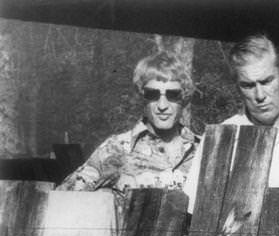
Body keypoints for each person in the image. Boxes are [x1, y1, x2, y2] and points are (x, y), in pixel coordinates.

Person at [58, 50, 199, 225]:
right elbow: (61, 199)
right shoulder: (118, 148)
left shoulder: (203, 151)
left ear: (184, 97)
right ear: (142, 96)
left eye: (172, 95)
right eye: (152, 95)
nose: (162, 105)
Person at [183, 33, 279, 207]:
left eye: (266, 81)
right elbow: (194, 212)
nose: (260, 95)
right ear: (237, 87)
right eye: (248, 85)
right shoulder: (219, 139)